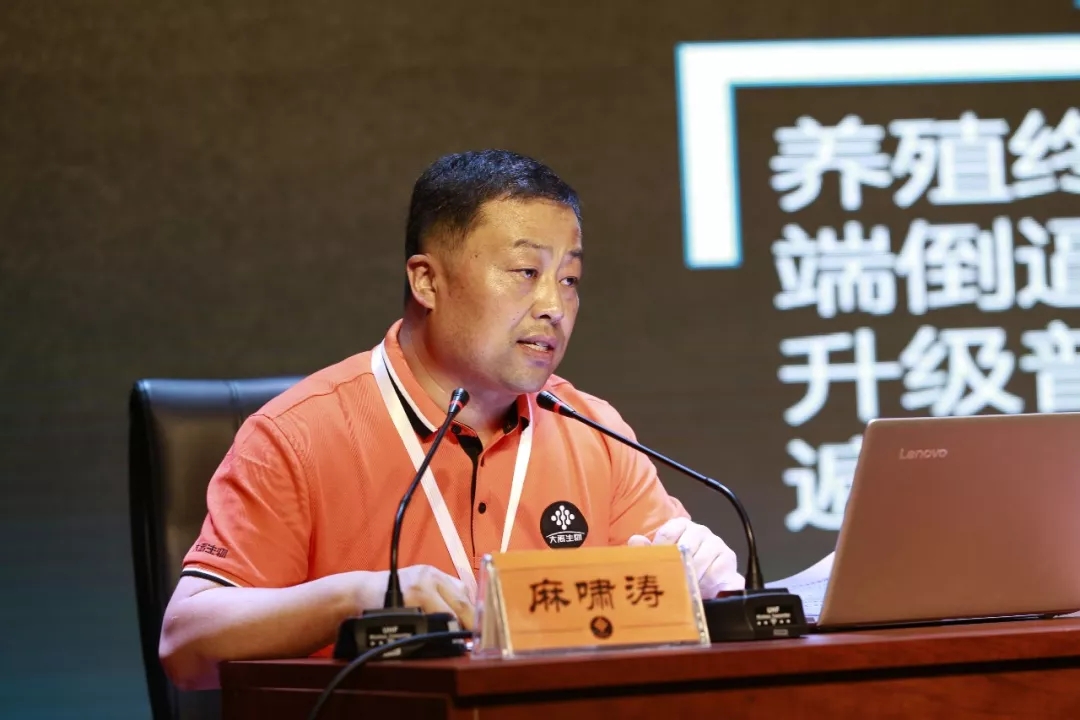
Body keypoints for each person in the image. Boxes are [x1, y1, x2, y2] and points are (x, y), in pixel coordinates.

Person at [158, 149, 744, 690]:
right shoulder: (298, 434)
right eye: (526, 272)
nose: (554, 307)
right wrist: (359, 597)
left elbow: (653, 607)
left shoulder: (593, 429)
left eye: (569, 280)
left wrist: (693, 577)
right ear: (426, 280)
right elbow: (185, 644)